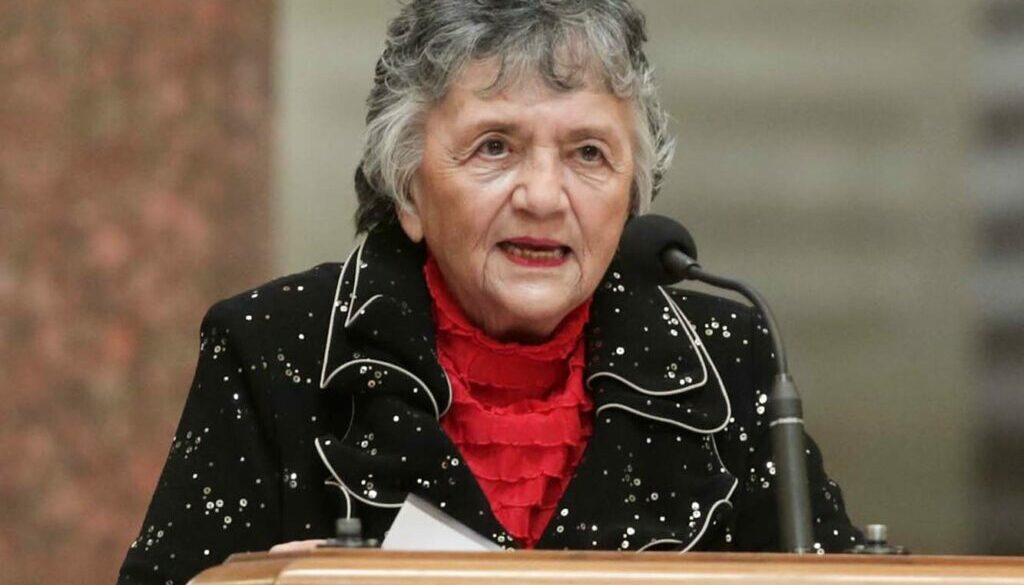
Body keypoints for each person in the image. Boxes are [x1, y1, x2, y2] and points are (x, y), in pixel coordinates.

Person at [117, 1, 860, 583]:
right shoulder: (276, 347)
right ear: (407, 187)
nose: (543, 195)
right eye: (495, 146)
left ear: (633, 190)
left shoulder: (725, 356)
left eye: (588, 153)